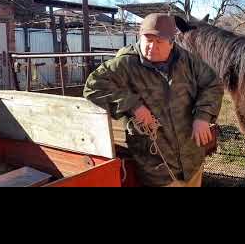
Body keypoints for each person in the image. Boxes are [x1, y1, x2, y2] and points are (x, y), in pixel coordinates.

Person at [83, 13, 224, 187]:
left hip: (191, 158)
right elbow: (93, 86)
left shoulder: (186, 60)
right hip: (156, 164)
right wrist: (134, 106)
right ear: (139, 37)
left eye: (159, 42)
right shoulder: (126, 63)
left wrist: (203, 116)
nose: (151, 47)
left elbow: (213, 83)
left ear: (171, 43)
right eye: (148, 40)